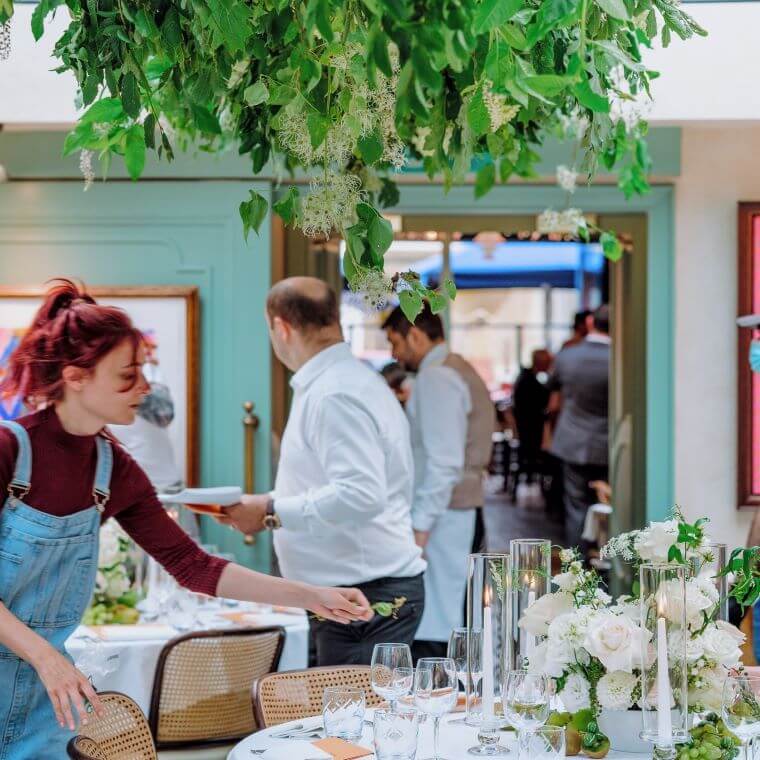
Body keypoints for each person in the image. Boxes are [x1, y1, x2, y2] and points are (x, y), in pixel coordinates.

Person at [0, 279, 372, 759]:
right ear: (75, 377)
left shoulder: (114, 472)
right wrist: (46, 656)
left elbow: (195, 566)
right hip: (47, 672)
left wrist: (311, 597)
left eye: (143, 372)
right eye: (127, 376)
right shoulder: (11, 451)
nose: (145, 388)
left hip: (47, 700)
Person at [218, 277, 426, 666]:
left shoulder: (335, 393)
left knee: (352, 724)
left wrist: (269, 509)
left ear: (281, 327)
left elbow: (361, 493)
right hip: (347, 591)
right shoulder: (341, 382)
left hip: (364, 594)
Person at [383, 305, 494, 659]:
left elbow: (444, 463)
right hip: (456, 511)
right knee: (450, 614)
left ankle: (441, 700)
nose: (393, 354)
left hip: (447, 516)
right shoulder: (452, 370)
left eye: (394, 342)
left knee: (439, 619)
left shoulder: (437, 378)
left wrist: (419, 527)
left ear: (415, 335)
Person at [548, 304, 610, 549]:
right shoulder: (621, 360)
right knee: (609, 504)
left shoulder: (568, 356)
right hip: (608, 443)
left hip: (573, 441)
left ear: (590, 323)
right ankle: (608, 565)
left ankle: (578, 567)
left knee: (576, 509)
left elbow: (552, 392)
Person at [512, 349, 552, 485]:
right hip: (530, 433)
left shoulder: (527, 377)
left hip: (528, 430)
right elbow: (544, 399)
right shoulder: (528, 380)